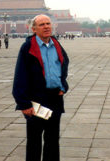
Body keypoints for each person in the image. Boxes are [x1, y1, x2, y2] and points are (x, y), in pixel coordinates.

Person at [12, 14, 69, 161]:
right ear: (34, 29)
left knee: (52, 140)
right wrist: (23, 103)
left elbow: (63, 65)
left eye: (48, 23)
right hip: (36, 100)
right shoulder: (28, 47)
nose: (46, 27)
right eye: (42, 24)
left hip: (55, 98)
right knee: (34, 141)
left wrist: (63, 85)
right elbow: (20, 75)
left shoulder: (56, 45)